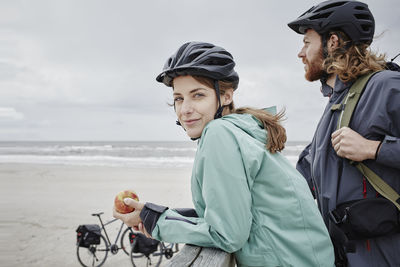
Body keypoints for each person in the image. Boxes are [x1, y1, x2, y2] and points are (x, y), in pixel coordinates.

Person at [113, 41, 334, 266]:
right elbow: (231, 212)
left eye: (197, 95)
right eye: (179, 98)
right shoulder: (241, 131)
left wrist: (157, 222)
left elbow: (228, 235)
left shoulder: (219, 133)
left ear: (226, 96)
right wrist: (154, 215)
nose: (185, 109)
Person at [288, 0, 400, 266]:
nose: (301, 53)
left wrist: (374, 149)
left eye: (307, 43)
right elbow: (302, 177)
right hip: (344, 254)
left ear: (333, 42)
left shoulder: (386, 86)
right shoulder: (337, 104)